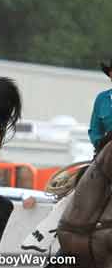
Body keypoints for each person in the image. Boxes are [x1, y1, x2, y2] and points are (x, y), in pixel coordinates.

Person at [21, 59, 112, 253]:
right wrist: (101, 143)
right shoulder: (102, 100)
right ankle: (46, 235)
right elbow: (94, 131)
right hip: (104, 159)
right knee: (73, 190)